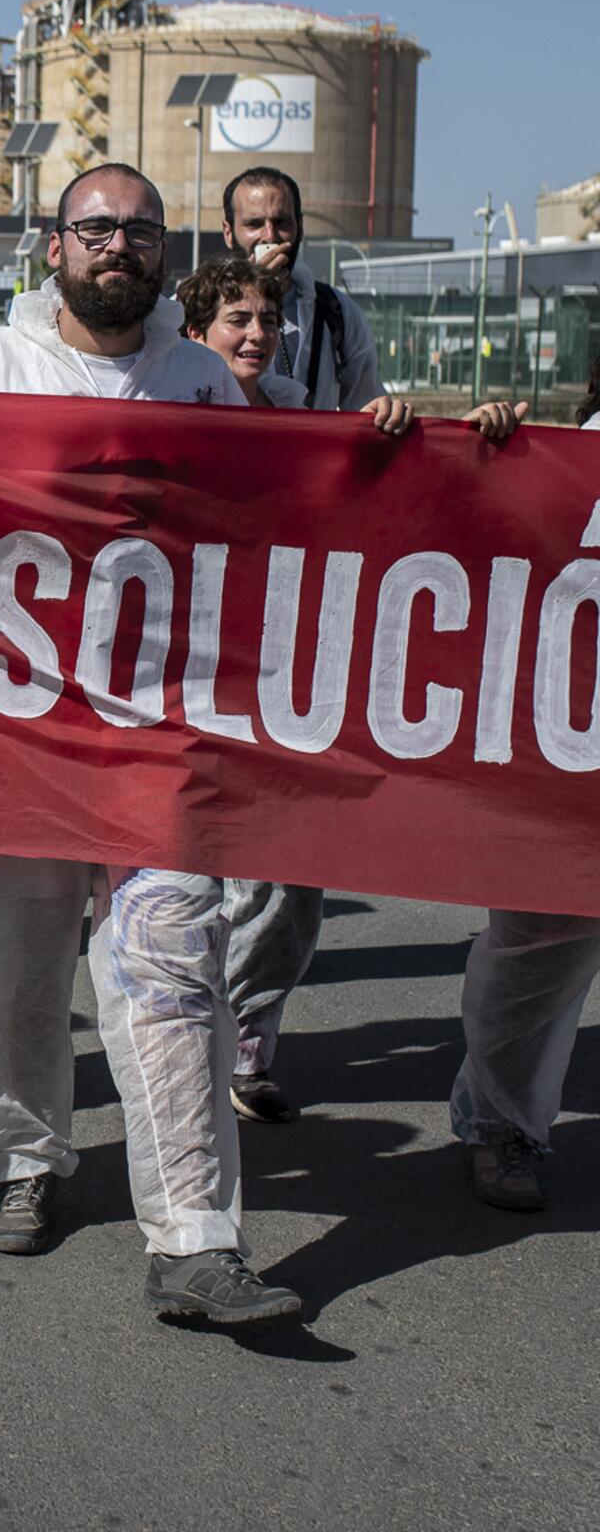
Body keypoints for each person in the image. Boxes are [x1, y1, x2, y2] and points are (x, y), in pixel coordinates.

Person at [0, 163, 304, 1330]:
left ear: (161, 253)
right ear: (52, 246)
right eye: (95, 228)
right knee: (7, 973)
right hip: (15, 733)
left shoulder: (199, 379)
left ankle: (192, 1236)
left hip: (156, 733)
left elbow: (262, 533)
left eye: (140, 231)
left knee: (169, 966)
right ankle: (28, 1153)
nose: (117, 246)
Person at [176, 256, 523, 1123]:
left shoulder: (309, 417)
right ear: (193, 335)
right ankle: (184, 1045)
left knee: (291, 885)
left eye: (267, 320)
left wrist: (457, 436)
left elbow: (387, 498)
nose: (257, 335)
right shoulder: (160, 409)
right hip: (182, 676)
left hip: (288, 674)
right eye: (235, 321)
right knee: (184, 886)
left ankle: (244, 1040)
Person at [445, 361, 593, 1209]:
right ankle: (502, 1122)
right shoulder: (574, 457)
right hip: (570, 738)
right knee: (543, 939)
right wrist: (484, 455)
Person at [220, 165, 382, 411]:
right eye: (254, 224)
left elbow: (365, 403)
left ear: (300, 227)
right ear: (229, 233)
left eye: (281, 222)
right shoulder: (197, 308)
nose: (270, 236)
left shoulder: (336, 311)